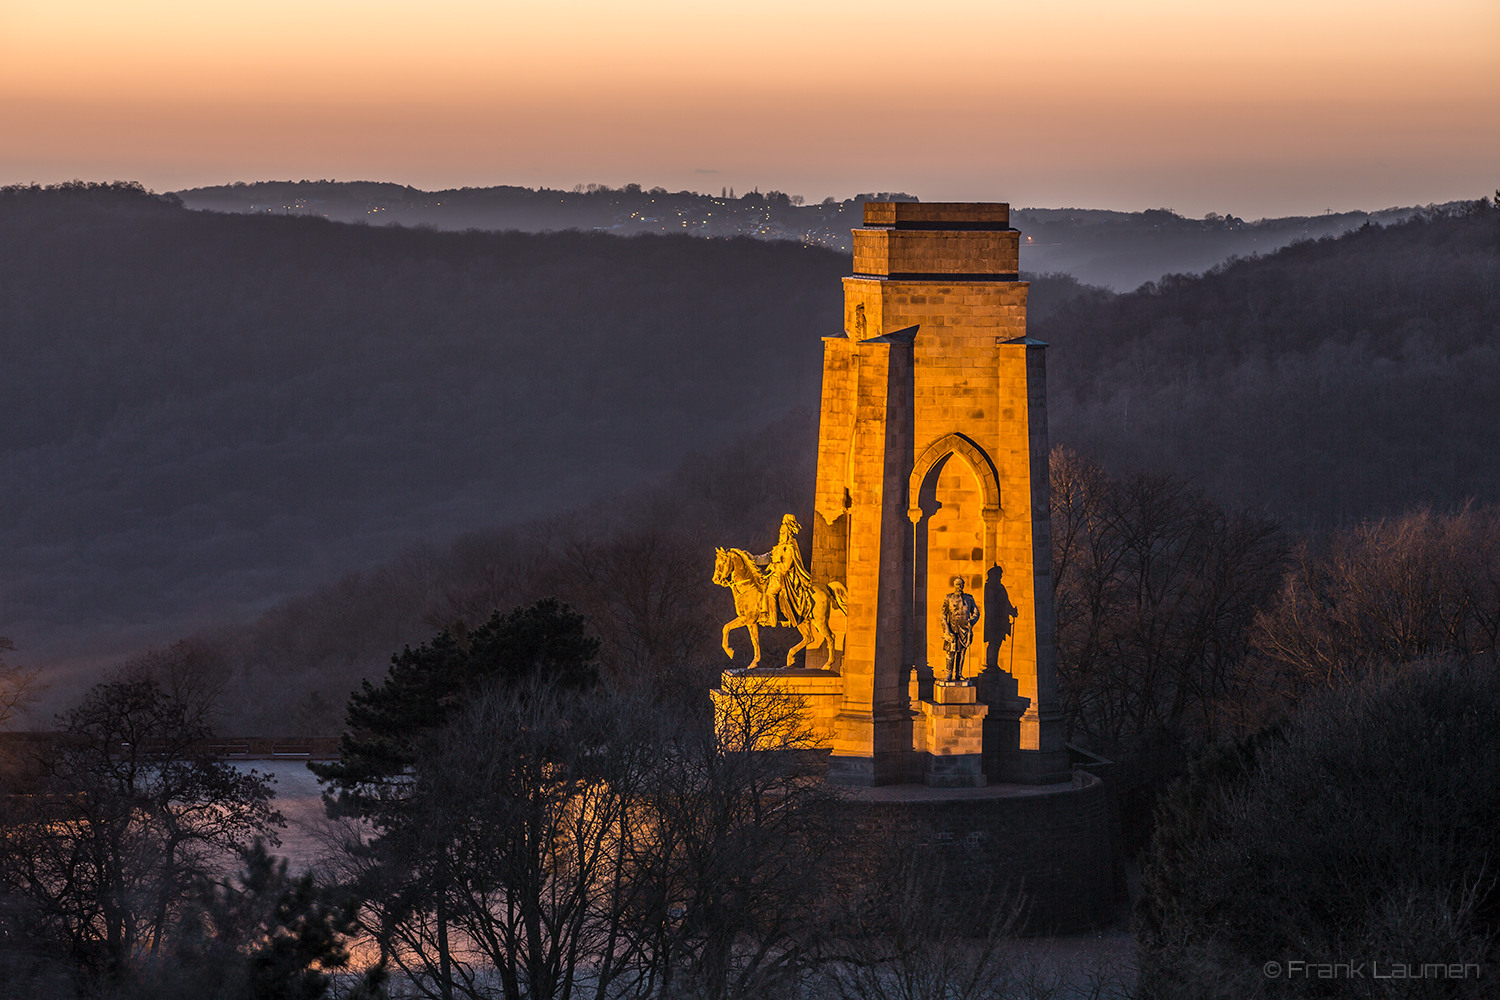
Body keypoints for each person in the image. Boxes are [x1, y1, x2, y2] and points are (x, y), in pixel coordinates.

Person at [754, 514, 810, 627]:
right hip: (774, 576)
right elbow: (765, 558)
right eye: (780, 533)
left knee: (770, 592)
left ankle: (772, 618)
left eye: (783, 533)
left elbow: (786, 567)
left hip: (784, 578)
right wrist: (749, 558)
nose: (781, 536)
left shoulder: (789, 548)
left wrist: (774, 567)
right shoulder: (778, 548)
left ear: (788, 534)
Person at [941, 575, 981, 682]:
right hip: (952, 628)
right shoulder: (948, 598)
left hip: (964, 630)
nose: (959, 587)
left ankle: (958, 674)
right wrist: (947, 629)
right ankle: (948, 674)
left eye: (961, 585)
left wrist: (971, 622)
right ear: (954, 586)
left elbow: (976, 612)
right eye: (957, 585)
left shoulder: (969, 598)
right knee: (951, 652)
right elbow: (943, 614)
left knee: (962, 653)